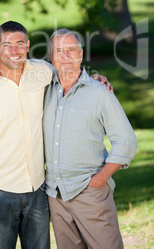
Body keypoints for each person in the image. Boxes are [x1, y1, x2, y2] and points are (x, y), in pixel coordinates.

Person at [0, 21, 111, 249]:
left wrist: (96, 79)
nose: (14, 50)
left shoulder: (42, 72)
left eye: (20, 44)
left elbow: (70, 72)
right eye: (7, 45)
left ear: (28, 45)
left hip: (38, 190)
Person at [43, 28, 138, 249]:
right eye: (59, 51)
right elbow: (12, 65)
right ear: (51, 57)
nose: (65, 56)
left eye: (71, 50)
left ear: (81, 54)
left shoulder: (99, 92)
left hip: (90, 192)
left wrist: (100, 179)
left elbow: (127, 141)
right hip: (55, 195)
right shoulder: (43, 90)